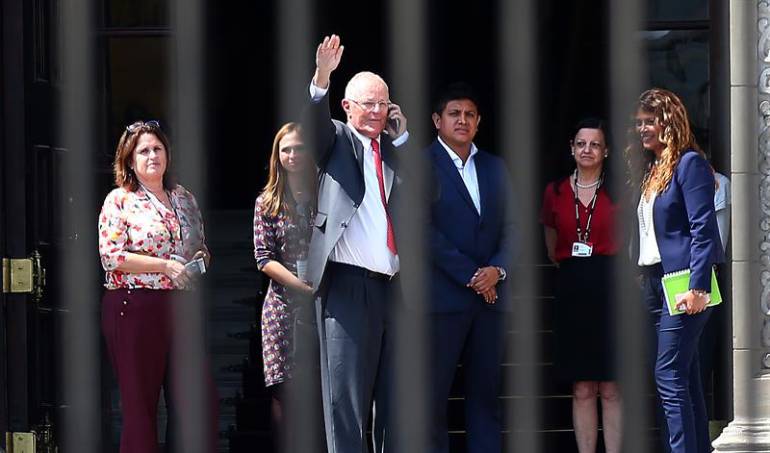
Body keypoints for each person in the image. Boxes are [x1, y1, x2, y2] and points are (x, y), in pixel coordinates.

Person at [302, 35, 409, 453]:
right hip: (346, 288)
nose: (377, 112)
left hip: (392, 289)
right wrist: (322, 78)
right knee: (345, 399)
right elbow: (313, 129)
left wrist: (402, 140)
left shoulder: (394, 152)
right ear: (348, 106)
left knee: (394, 400)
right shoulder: (338, 141)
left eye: (384, 104)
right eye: (368, 103)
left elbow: (431, 192)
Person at [98, 120, 218, 453]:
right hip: (135, 306)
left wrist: (198, 258)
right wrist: (164, 266)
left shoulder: (184, 199)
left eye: (157, 148)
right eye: (143, 151)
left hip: (180, 307)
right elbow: (111, 256)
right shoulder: (119, 201)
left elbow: (201, 247)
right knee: (140, 408)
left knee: (199, 401)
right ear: (130, 160)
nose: (152, 156)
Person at [628, 88, 725, 453]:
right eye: (638, 123)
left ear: (668, 121)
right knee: (685, 378)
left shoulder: (689, 164)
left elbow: (704, 228)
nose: (642, 129)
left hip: (685, 283)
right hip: (655, 283)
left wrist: (699, 286)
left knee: (668, 375)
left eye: (649, 121)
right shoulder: (653, 168)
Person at [425, 83, 516, 453]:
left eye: (469, 115)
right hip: (442, 300)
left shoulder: (495, 167)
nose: (462, 120)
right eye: (454, 113)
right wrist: (472, 275)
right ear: (437, 120)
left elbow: (515, 227)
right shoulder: (419, 164)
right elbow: (419, 229)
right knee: (432, 400)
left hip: (491, 302)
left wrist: (497, 270)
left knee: (486, 397)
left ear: (478, 122)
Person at [540, 118, 622, 453]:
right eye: (581, 144)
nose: (587, 150)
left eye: (595, 144)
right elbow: (551, 246)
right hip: (572, 289)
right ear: (572, 149)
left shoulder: (620, 191)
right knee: (582, 387)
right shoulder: (555, 191)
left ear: (606, 151)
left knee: (612, 386)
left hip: (611, 288)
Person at [252, 122, 321, 451]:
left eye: (298, 148)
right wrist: (300, 285)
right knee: (284, 393)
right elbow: (264, 258)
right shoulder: (266, 202)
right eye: (286, 149)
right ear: (276, 157)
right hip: (281, 308)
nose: (292, 155)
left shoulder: (325, 192)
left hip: (324, 304)